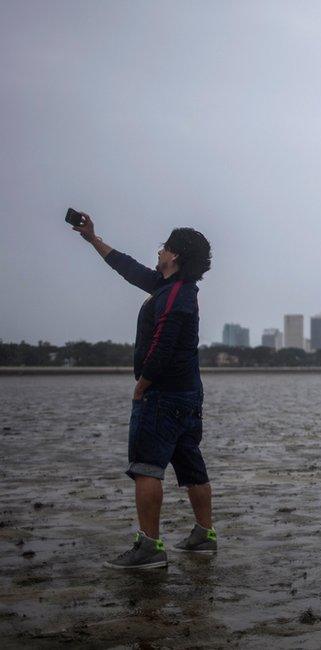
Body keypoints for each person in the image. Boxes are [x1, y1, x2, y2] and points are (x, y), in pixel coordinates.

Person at [72, 212, 218, 569]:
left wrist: (142, 385)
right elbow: (128, 268)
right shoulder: (169, 287)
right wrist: (94, 238)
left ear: (175, 256)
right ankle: (204, 535)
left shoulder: (175, 294)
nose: (159, 251)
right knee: (190, 463)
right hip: (187, 395)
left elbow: (163, 344)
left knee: (146, 468)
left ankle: (149, 547)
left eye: (164, 247)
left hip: (163, 395)